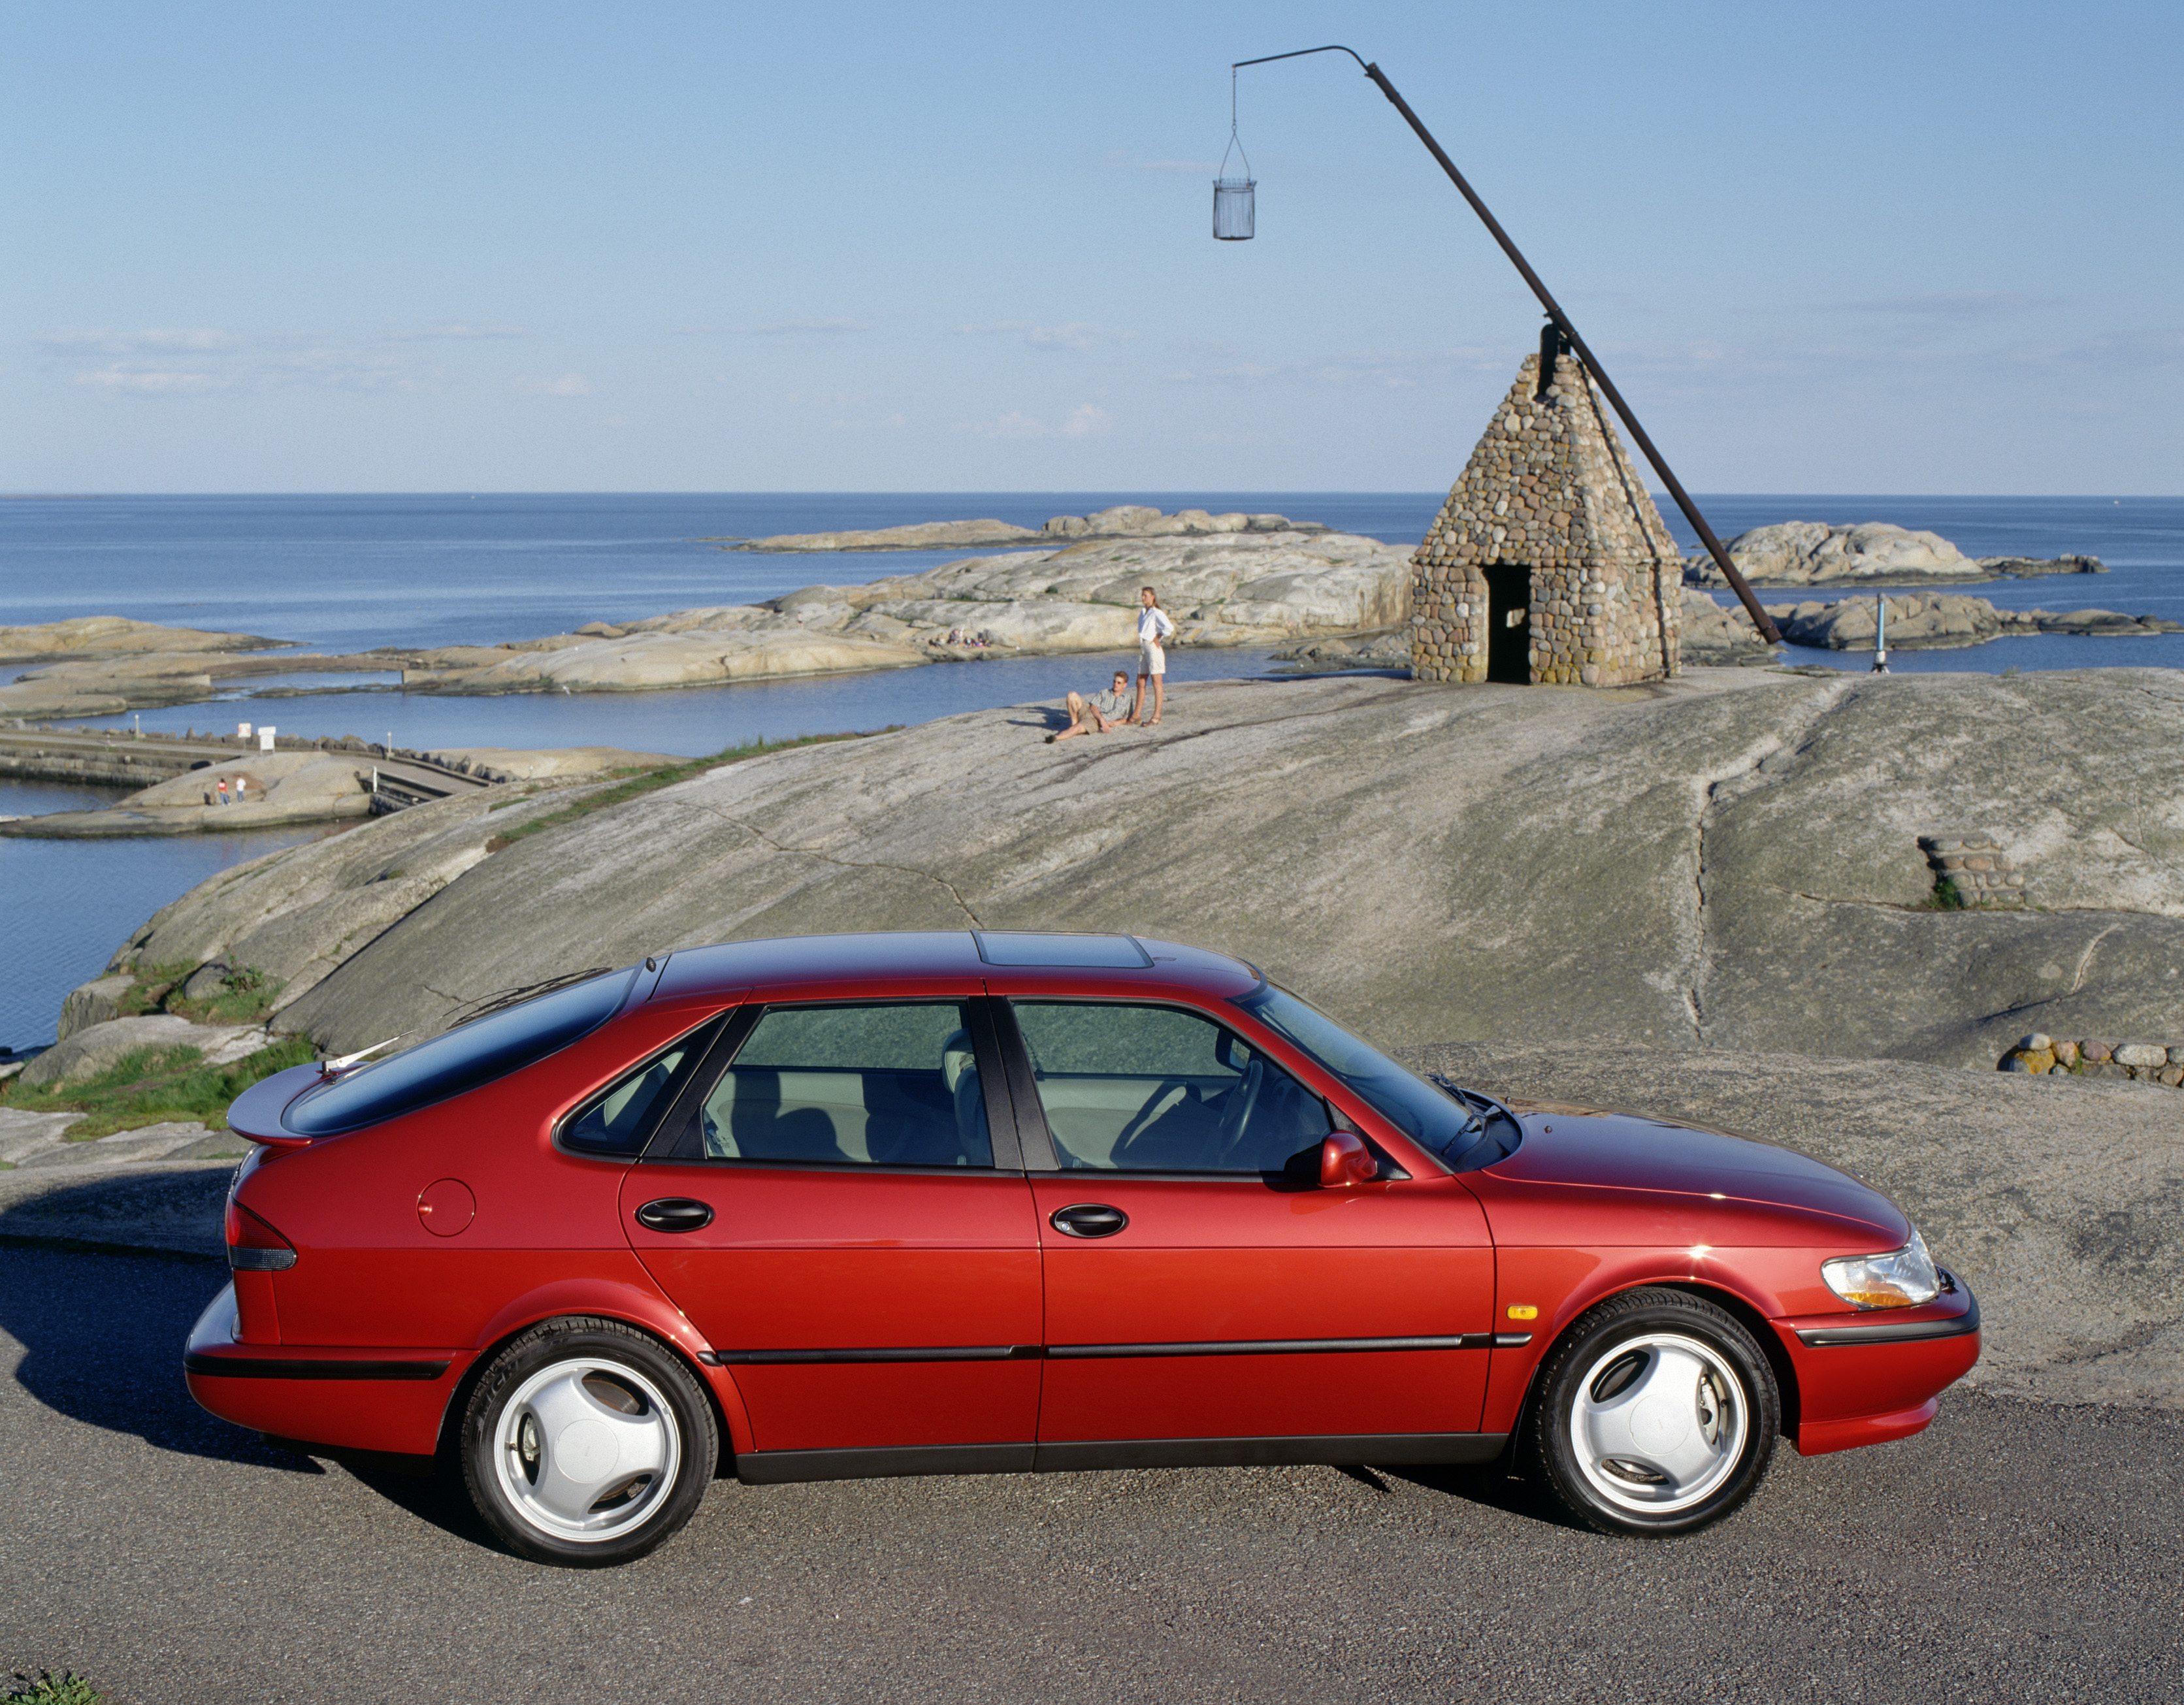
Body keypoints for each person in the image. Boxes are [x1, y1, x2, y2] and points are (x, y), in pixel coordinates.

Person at [1128, 586, 1175, 725]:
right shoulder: (1143, 613)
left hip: (1153, 648)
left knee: (1156, 682)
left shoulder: (1156, 612)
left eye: (1146, 595)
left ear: (1153, 596)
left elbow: (1169, 628)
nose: (1143, 598)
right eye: (1142, 595)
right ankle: (1136, 715)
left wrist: (1158, 636)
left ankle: (1157, 716)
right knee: (1140, 682)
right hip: (1143, 647)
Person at [1048, 670, 1132, 743]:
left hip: (1094, 721)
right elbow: (1093, 707)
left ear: (1125, 685)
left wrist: (1116, 723)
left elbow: (1126, 718)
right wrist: (1102, 719)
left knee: (1077, 729)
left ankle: (1056, 738)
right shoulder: (1105, 692)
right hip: (1089, 711)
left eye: (1119, 683)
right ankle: (1074, 722)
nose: (1115, 684)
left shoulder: (1127, 699)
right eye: (1114, 681)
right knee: (1072, 695)